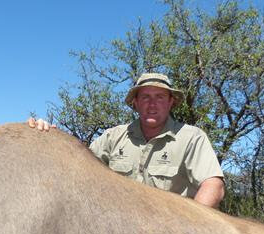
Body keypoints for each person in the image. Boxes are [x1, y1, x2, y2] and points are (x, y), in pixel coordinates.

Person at [89, 73, 225, 208]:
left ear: (170, 102)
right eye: (145, 97)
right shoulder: (112, 137)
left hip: (171, 226)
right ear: (136, 102)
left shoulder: (192, 137)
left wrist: (188, 225)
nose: (152, 104)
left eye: (160, 97)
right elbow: (83, 169)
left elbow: (213, 185)